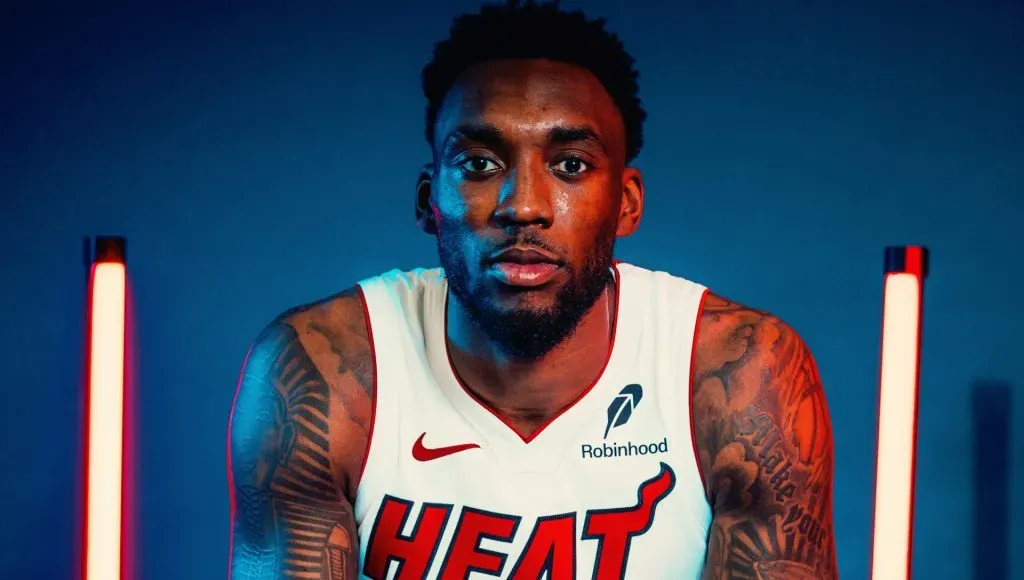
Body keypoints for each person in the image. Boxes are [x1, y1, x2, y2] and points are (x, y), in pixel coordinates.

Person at [227, 1, 838, 578]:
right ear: (427, 201)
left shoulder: (739, 375)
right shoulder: (326, 371)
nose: (523, 206)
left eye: (570, 164)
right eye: (479, 165)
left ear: (625, 204)